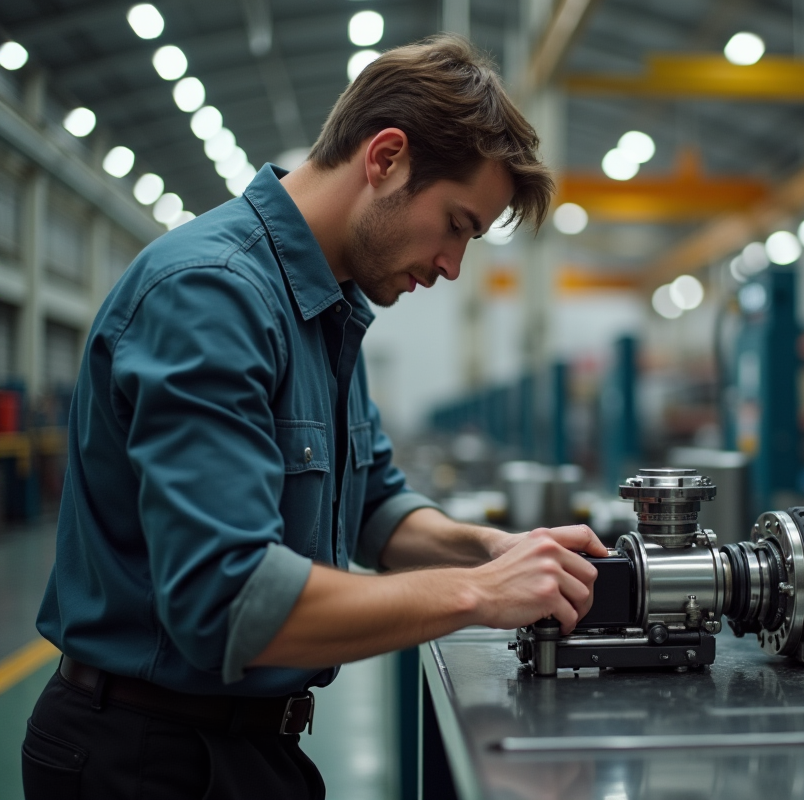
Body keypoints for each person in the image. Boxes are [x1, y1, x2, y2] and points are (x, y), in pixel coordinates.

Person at [22, 34, 606, 800]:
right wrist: (479, 595)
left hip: (246, 746)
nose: (453, 266)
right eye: (458, 224)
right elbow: (229, 602)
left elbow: (375, 506)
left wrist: (492, 550)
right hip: (147, 757)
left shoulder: (327, 308)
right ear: (386, 157)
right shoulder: (212, 295)